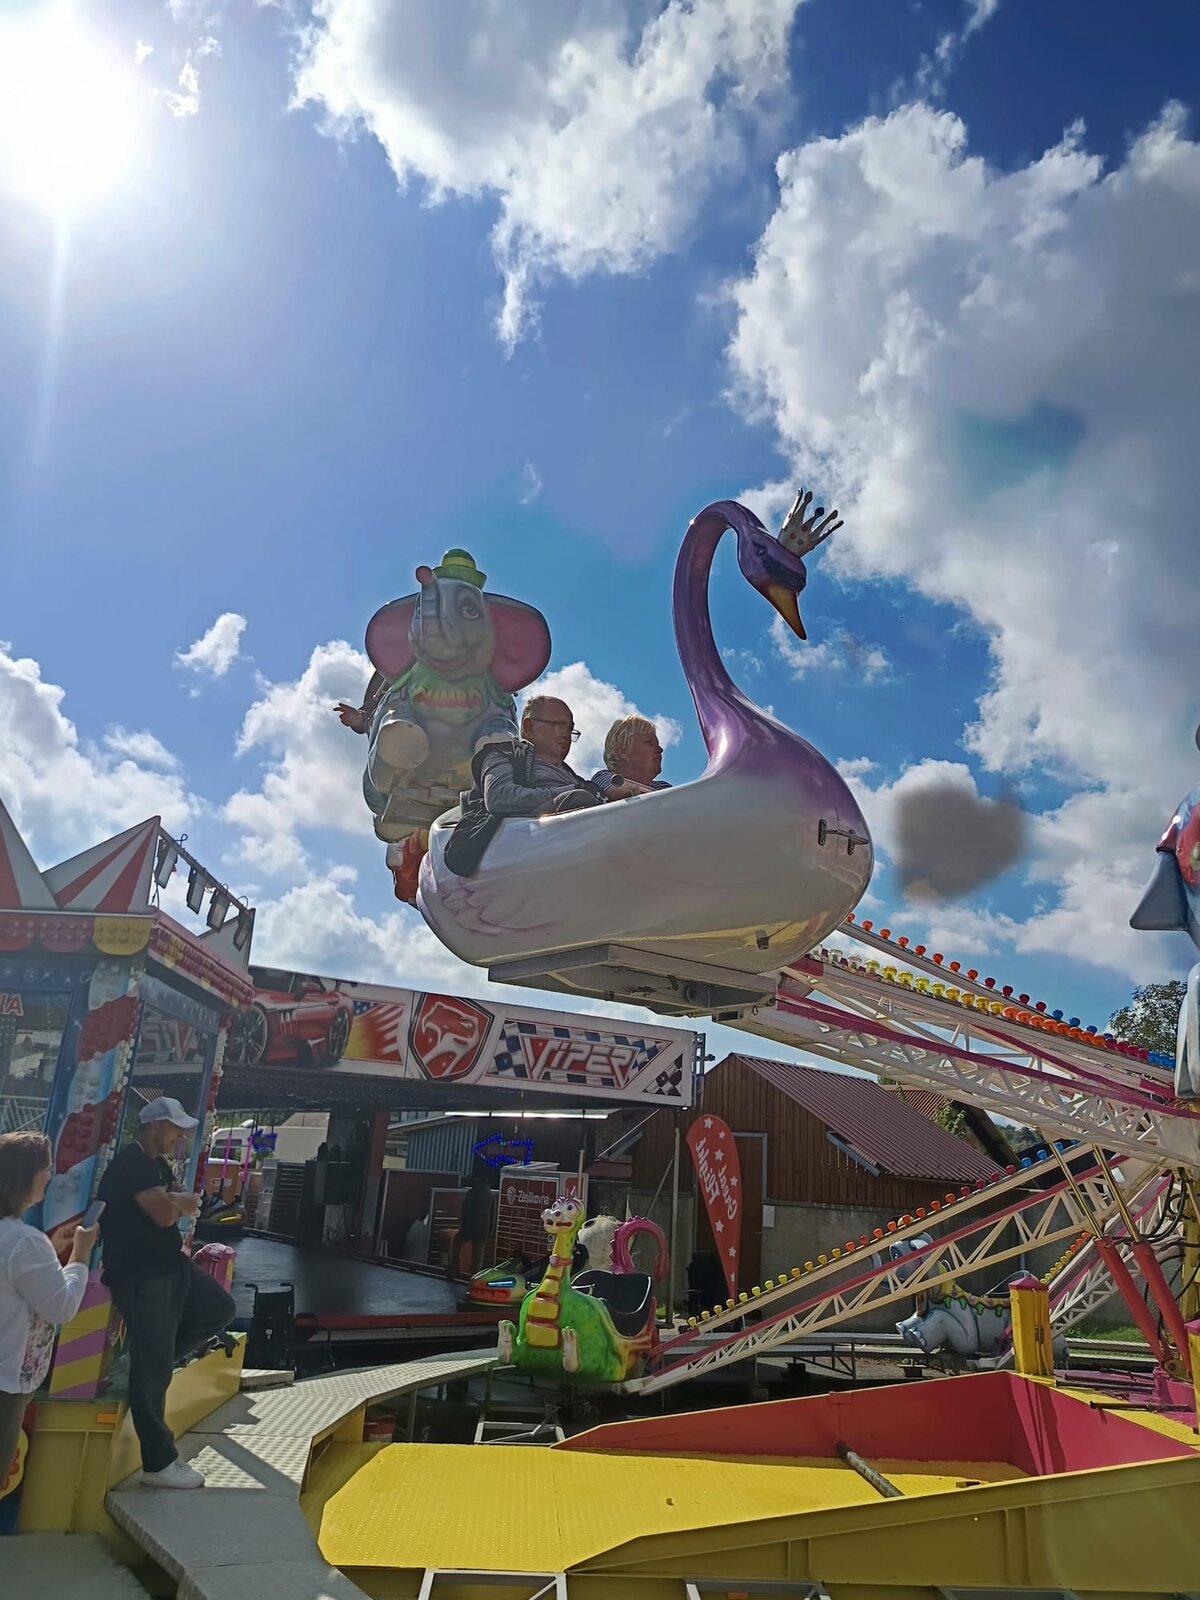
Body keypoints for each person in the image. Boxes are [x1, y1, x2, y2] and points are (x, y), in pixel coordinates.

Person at [98, 1097, 236, 1490]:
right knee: (154, 1370)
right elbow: (167, 1212)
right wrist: (177, 1203)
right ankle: (158, 1464)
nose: (181, 1136)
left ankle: (144, 1360)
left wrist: (174, 1201)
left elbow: (178, 1202)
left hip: (170, 1265)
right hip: (142, 1273)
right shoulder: (131, 1163)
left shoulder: (156, 1165)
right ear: (156, 1125)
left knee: (219, 1308)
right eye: (175, 1128)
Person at [0, 1132, 97, 1486]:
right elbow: (62, 1307)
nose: (51, 1175)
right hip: (7, 1382)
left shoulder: (19, 1241)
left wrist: (51, 1250)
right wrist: (80, 1255)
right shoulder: (25, 1241)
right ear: (25, 1177)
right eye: (46, 1168)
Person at [479, 696, 603, 817]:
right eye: (560, 725)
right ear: (529, 727)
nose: (566, 734)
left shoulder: (575, 778)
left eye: (570, 729)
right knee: (579, 798)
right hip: (533, 826)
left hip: (583, 823)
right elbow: (499, 797)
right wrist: (570, 790)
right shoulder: (504, 754)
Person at [592, 714, 671, 800]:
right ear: (622, 751)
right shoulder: (603, 777)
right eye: (649, 742)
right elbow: (617, 792)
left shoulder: (662, 787)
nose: (660, 749)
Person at [446, 1165, 493, 1280]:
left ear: (476, 1180)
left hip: (470, 1227)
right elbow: (493, 1214)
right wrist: (490, 1231)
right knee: (478, 1254)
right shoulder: (490, 1195)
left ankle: (454, 1268)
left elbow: (464, 1211)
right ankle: (474, 1276)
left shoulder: (472, 1193)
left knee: (457, 1242)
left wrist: (463, 1226)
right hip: (483, 1229)